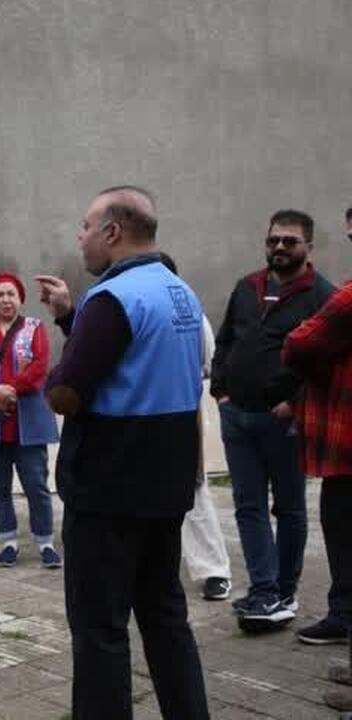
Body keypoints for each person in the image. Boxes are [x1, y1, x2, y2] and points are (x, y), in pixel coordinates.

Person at [39, 185, 208, 720]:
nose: (80, 238)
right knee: (165, 618)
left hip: (109, 490)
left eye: (85, 227)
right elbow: (135, 361)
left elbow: (69, 393)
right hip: (164, 485)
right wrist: (71, 318)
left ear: (113, 232)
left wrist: (53, 376)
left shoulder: (113, 299)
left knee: (100, 631)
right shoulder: (178, 290)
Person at [211, 209, 334, 631]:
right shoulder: (248, 286)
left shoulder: (323, 297)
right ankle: (263, 591)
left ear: (308, 247)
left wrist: (295, 402)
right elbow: (226, 339)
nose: (279, 248)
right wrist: (221, 392)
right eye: (273, 240)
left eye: (289, 241)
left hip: (283, 423)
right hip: (236, 417)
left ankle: (285, 590)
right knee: (248, 507)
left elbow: (329, 362)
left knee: (290, 508)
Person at [284, 227, 352, 652]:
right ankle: (343, 614)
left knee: (344, 536)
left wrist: (317, 371)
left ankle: (345, 616)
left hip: (347, 448)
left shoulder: (347, 297)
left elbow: (299, 343)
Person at [0, 273, 60, 568]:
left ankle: (45, 542)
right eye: (0, 295)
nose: (6, 300)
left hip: (28, 417)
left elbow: (40, 366)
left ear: (20, 298)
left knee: (37, 485)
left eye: (11, 294)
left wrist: (12, 390)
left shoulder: (34, 328)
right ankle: (8, 541)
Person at [160, 253, 232, 602]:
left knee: (194, 490)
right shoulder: (128, 308)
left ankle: (213, 570)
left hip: (183, 410)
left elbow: (208, 363)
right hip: (137, 416)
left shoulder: (191, 316)